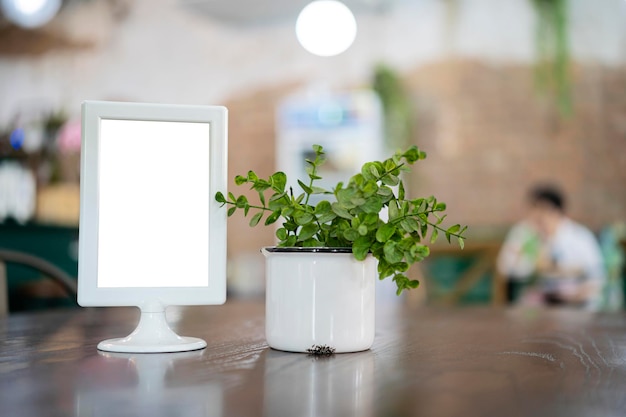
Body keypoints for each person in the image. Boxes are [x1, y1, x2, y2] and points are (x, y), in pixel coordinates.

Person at [497, 185, 606, 310]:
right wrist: (529, 263)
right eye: (535, 210)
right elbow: (505, 268)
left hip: (576, 307)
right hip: (534, 308)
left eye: (546, 211)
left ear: (559, 212)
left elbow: (598, 275)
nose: (540, 217)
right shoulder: (523, 234)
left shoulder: (579, 236)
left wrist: (578, 290)